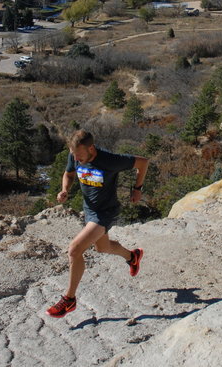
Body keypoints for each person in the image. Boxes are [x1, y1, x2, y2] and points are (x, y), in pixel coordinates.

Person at [46, 130, 148, 318]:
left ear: (91, 148)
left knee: (74, 250)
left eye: (79, 155)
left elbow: (143, 162)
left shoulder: (110, 160)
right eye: (74, 155)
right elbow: (68, 174)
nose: (76, 159)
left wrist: (137, 188)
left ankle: (69, 300)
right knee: (103, 247)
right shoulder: (75, 154)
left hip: (105, 212)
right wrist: (64, 190)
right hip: (90, 210)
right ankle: (132, 256)